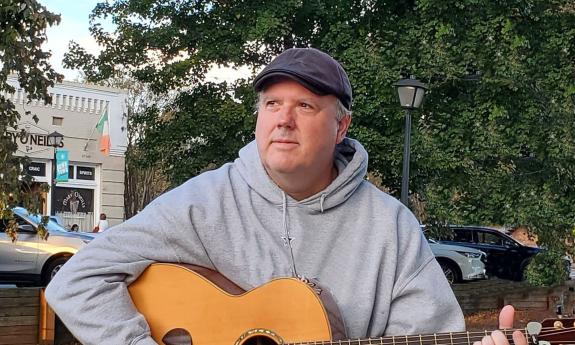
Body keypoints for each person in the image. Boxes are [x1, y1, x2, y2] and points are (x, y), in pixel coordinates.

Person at [45, 48, 527, 345]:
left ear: (341, 126)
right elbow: (75, 282)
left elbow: (425, 334)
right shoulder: (204, 201)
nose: (283, 118)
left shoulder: (391, 227)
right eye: (272, 103)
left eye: (305, 105)